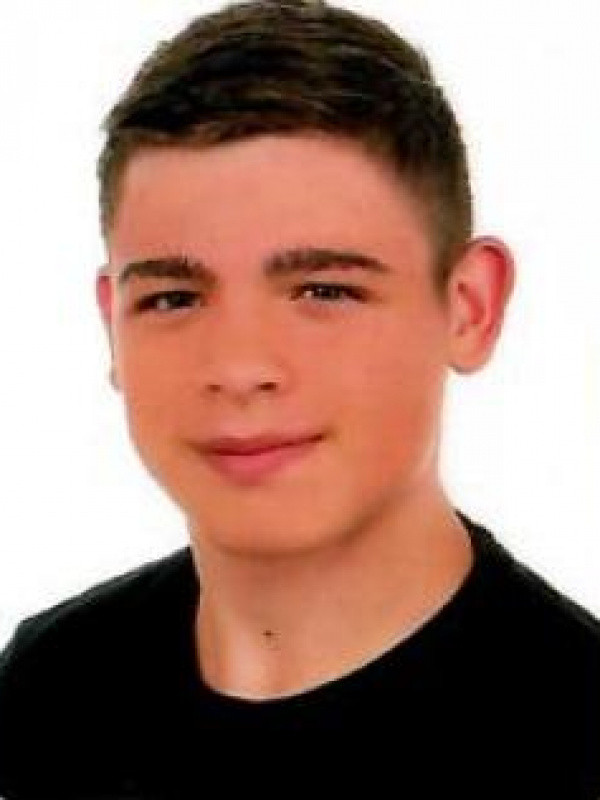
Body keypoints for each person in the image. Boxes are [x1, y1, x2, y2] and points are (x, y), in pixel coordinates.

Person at [0, 1, 598, 797]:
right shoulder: (48, 689)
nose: (240, 367)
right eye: (174, 298)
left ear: (469, 308)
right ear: (112, 323)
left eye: (324, 289)